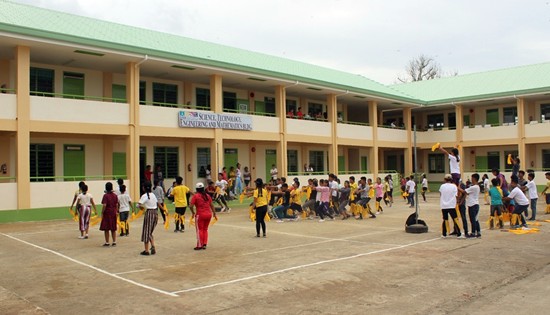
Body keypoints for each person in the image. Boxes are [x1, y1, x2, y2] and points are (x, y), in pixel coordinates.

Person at [189, 182, 217, 250]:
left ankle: (199, 245)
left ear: (197, 189)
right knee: (205, 229)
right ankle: (204, 243)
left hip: (200, 214)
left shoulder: (195, 196)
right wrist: (214, 213)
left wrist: (193, 212)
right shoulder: (207, 195)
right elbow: (212, 205)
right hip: (208, 214)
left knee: (199, 230)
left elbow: (191, 206)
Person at [138, 182, 160, 256]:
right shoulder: (153, 195)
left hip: (149, 213)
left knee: (146, 231)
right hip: (155, 213)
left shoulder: (144, 196)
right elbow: (157, 203)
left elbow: (139, 204)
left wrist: (141, 208)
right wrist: (163, 209)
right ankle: (152, 246)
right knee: (150, 231)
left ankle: (146, 250)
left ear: (143, 188)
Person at [439, 174, 464, 238]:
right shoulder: (454, 186)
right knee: (455, 219)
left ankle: (444, 233)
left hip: (444, 205)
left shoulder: (442, 186)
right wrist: (458, 201)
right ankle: (459, 233)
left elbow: (440, 194)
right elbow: (456, 196)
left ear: (445, 179)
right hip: (451, 205)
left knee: (445, 219)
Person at [462, 173, 481, 238]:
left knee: (473, 219)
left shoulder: (474, 187)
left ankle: (473, 233)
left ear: (474, 179)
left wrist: (458, 187)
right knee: (475, 219)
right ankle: (478, 232)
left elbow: (464, 191)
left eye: (472, 178)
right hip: (475, 204)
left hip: (472, 205)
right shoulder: (476, 187)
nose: (471, 179)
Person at [100, 182, 119, 247]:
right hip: (113, 212)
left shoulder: (105, 196)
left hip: (107, 213)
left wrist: (102, 212)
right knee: (113, 228)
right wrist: (117, 211)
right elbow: (116, 204)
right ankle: (114, 241)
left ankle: (107, 242)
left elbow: (104, 205)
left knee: (106, 228)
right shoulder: (115, 195)